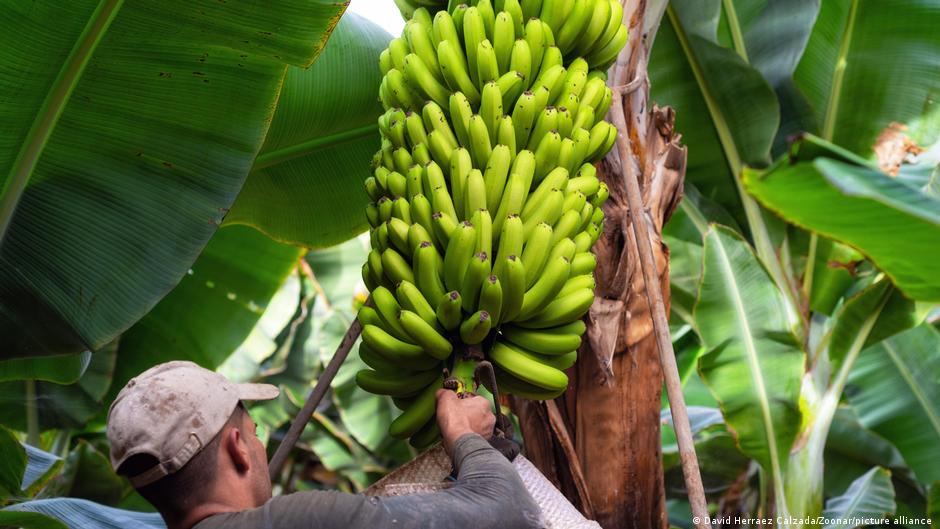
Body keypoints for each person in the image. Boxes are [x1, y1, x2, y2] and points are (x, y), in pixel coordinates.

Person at [107, 361, 543, 529]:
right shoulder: (292, 523)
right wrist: (463, 433)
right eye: (256, 433)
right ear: (238, 448)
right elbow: (507, 511)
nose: (258, 446)